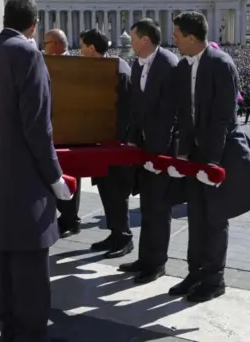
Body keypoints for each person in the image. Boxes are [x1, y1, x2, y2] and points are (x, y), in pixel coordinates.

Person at [171, 11, 250, 302]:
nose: (174, 40)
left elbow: (224, 117)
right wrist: (185, 153)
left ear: (190, 36)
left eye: (177, 35)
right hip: (197, 153)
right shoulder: (184, 67)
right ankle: (195, 273)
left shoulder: (221, 64)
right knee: (196, 214)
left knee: (214, 217)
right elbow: (185, 115)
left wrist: (211, 161)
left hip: (220, 152)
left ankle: (214, 279)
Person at [0, 0, 73, 342]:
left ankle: (11, 327)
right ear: (34, 25)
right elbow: (38, 125)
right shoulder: (28, 54)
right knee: (30, 264)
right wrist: (55, 175)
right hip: (25, 176)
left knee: (6, 260)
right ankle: (29, 333)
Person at [118, 18, 179, 284]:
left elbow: (172, 114)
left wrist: (159, 154)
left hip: (162, 150)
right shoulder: (136, 64)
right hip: (143, 149)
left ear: (144, 40)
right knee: (147, 207)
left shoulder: (168, 63)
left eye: (132, 38)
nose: (129, 42)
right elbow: (135, 108)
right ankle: (145, 258)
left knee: (159, 208)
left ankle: (157, 263)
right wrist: (132, 140)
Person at [79, 28, 134, 258]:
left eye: (82, 47)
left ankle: (124, 237)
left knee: (116, 191)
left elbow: (125, 109)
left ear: (92, 48)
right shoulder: (102, 67)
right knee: (106, 188)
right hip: (102, 141)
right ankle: (115, 233)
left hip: (116, 142)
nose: (81, 52)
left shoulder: (116, 68)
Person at [43, 28, 81, 237]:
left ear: (56, 45)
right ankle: (65, 216)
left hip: (70, 129)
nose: (44, 47)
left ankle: (70, 219)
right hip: (55, 129)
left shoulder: (75, 64)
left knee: (69, 174)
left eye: (47, 44)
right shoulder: (50, 63)